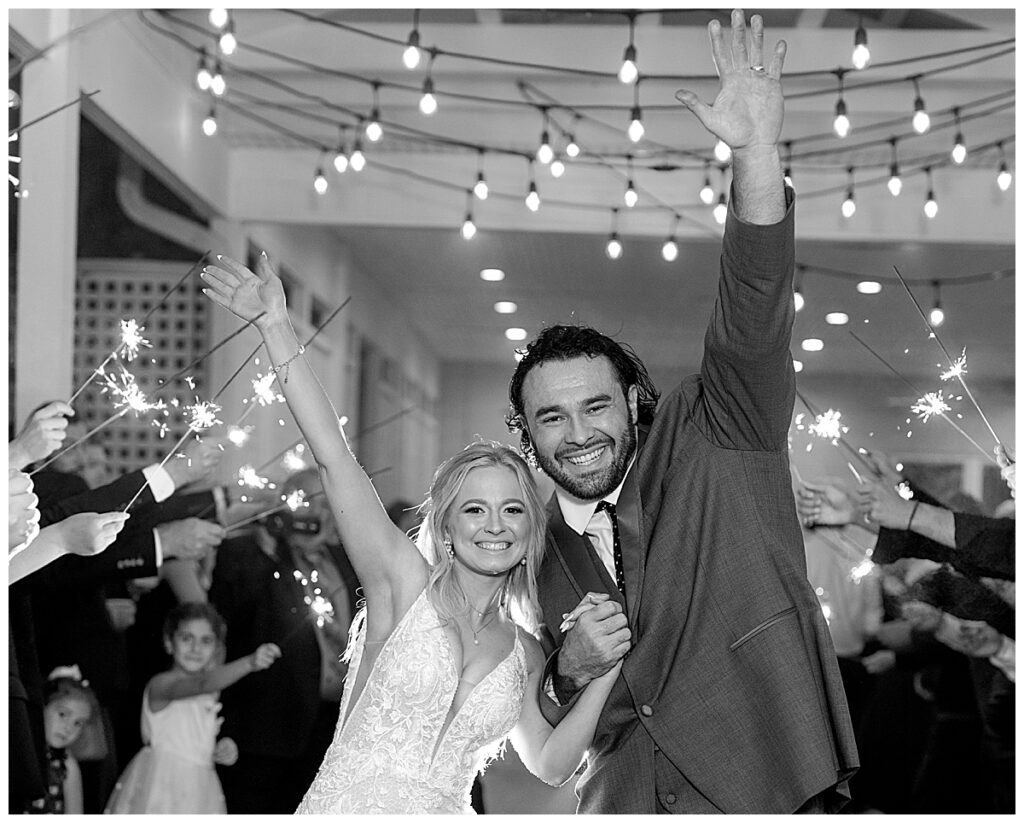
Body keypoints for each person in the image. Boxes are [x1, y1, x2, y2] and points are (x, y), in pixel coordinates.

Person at [503, 10, 857, 813]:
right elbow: (539, 717)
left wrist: (757, 154)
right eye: (551, 418)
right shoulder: (524, 542)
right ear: (525, 433)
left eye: (595, 405)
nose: (579, 432)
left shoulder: (719, 425)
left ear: (632, 399)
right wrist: (567, 666)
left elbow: (754, 301)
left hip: (768, 771)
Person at [201, 255, 627, 814]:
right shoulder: (402, 586)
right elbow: (334, 459)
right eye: (475, 509)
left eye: (513, 511)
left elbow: (549, 763)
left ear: (531, 529)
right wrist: (276, 326)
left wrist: (605, 669)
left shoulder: (524, 649)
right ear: (447, 524)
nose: (495, 526)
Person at [209, 469, 361, 814]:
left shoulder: (346, 559)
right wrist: (269, 539)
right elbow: (230, 620)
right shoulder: (254, 554)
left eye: (326, 503)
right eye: (307, 502)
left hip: (334, 727)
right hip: (268, 731)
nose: (316, 513)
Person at [104, 602, 280, 813]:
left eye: (206, 641)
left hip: (201, 787)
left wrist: (223, 747)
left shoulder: (211, 692)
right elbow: (201, 684)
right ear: (169, 643)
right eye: (187, 639)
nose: (196, 649)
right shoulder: (162, 684)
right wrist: (250, 663)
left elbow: (197, 732)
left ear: (216, 648)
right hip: (161, 785)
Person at [41, 666, 101, 814]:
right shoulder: (19, 753)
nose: (68, 728)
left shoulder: (67, 765)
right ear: (42, 706)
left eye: (78, 723)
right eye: (62, 714)